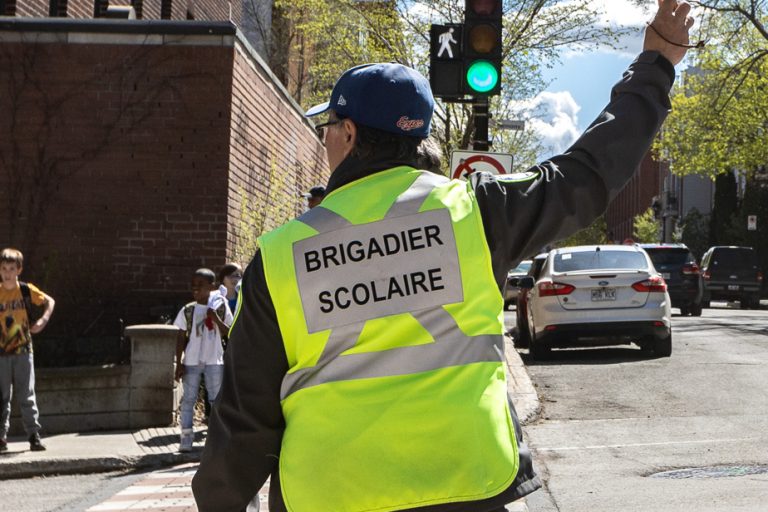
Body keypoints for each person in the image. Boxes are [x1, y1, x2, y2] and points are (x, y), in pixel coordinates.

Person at [193, 1, 694, 510]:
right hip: (468, 482)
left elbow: (243, 420)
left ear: (348, 133)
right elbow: (587, 172)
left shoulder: (282, 255)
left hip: (333, 494)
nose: (325, 139)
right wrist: (655, 65)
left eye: (329, 127)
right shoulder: (476, 214)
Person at [0, 248, 55, 453]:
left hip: (23, 350)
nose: (7, 273)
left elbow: (50, 301)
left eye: (11, 269)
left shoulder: (25, 290)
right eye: (4, 268)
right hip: (1, 352)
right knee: (1, 397)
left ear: (19, 270)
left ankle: (33, 435)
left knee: (26, 395)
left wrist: (43, 320)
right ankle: (1, 438)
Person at [173, 268, 233, 453]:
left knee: (216, 399)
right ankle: (186, 437)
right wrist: (179, 362)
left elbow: (229, 331)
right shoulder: (188, 310)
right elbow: (181, 337)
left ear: (211, 286)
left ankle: (216, 438)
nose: (195, 289)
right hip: (192, 360)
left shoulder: (220, 307)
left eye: (200, 285)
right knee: (189, 399)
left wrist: (215, 317)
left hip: (214, 359)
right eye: (193, 285)